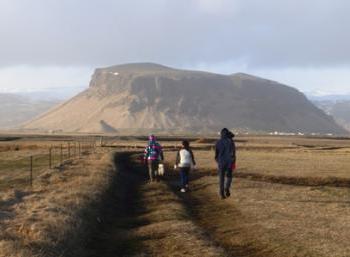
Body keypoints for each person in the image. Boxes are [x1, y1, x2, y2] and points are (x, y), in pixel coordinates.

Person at [215, 128, 236, 199]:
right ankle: (227, 187)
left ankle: (221, 194)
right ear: (227, 134)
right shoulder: (231, 141)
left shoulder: (218, 142)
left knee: (221, 179)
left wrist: (218, 160)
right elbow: (233, 153)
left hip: (221, 162)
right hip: (229, 162)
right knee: (229, 176)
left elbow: (216, 154)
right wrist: (233, 161)